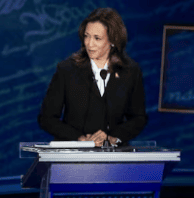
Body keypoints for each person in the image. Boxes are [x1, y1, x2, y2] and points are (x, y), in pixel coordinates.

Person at [38, 8, 147, 146]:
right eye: (86, 36)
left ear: (113, 40)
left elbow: (138, 118)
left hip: (112, 156)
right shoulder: (67, 69)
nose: (89, 44)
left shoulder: (130, 71)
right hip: (73, 154)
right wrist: (80, 139)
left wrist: (112, 137)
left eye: (97, 38)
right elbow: (47, 118)